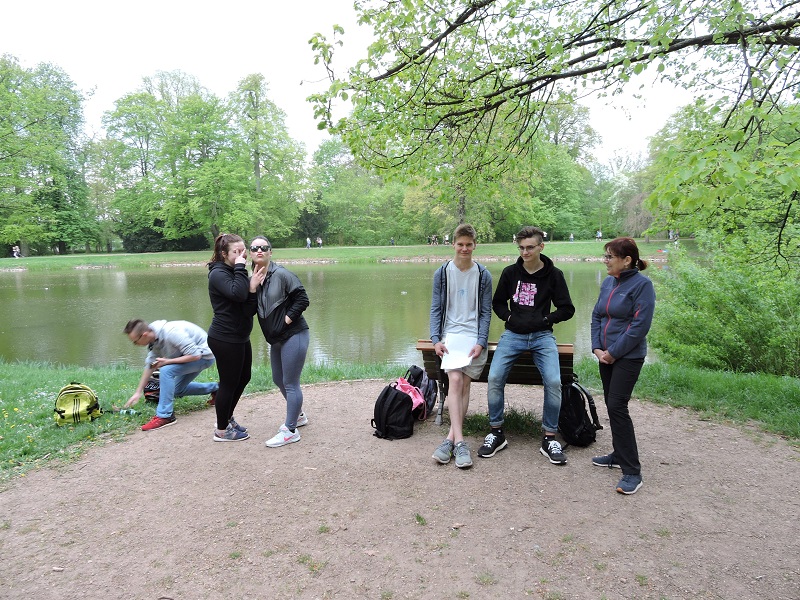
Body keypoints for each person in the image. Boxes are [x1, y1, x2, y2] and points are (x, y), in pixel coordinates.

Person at [477, 226, 575, 464]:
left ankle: (549, 437)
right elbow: (498, 303)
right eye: (521, 248)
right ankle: (496, 432)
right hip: (513, 334)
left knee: (553, 381)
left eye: (530, 247)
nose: (525, 252)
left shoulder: (554, 275)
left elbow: (567, 309)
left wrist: (546, 320)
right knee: (494, 377)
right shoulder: (510, 273)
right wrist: (510, 318)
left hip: (542, 336)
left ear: (541, 246)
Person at [590, 237, 655, 495]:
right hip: (605, 355)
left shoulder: (642, 285)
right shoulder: (608, 282)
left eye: (609, 257)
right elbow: (597, 314)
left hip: (628, 357)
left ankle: (632, 472)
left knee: (617, 406)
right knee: (611, 404)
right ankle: (618, 454)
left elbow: (640, 326)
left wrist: (614, 352)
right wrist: (597, 348)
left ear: (627, 260)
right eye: (605, 256)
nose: (605, 261)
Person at [430, 224, 492, 469]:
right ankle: (461, 442)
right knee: (455, 381)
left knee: (464, 384)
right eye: (460, 244)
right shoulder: (442, 273)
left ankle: (450, 440)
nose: (464, 249)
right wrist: (436, 339)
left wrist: (481, 341)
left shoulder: (483, 275)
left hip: (473, 339)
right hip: (450, 337)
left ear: (475, 245)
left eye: (469, 244)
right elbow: (436, 308)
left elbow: (486, 312)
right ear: (453, 244)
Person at [250, 236, 311, 447]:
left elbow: (302, 299)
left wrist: (285, 321)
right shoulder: (254, 278)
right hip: (276, 339)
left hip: (294, 334)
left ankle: (290, 430)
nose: (259, 250)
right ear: (250, 253)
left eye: (264, 247)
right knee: (278, 379)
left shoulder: (282, 274)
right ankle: (299, 415)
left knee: (290, 383)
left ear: (270, 252)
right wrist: (251, 287)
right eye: (255, 248)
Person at [207, 233, 265, 442]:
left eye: (243, 251)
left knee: (244, 377)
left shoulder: (234, 272)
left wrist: (253, 289)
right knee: (228, 383)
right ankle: (221, 430)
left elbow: (247, 308)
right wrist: (242, 269)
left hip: (240, 336)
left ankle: (226, 417)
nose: (242, 255)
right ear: (224, 254)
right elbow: (238, 294)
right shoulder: (218, 274)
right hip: (224, 338)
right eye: (236, 252)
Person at [123, 319, 218, 431]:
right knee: (177, 390)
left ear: (144, 335)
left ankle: (165, 415)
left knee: (166, 370)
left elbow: (195, 355)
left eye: (135, 341)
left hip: (205, 357)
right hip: (189, 357)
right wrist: (138, 392)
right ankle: (217, 388)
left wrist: (168, 361)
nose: (135, 345)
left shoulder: (171, 333)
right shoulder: (154, 339)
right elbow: (150, 365)